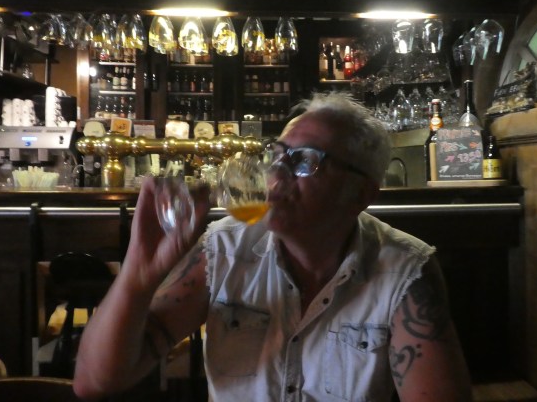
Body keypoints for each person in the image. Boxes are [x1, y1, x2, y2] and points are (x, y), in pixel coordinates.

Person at [73, 91, 472, 401]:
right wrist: (138, 276)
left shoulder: (404, 271)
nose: (276, 175)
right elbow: (94, 382)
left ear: (360, 193)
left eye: (304, 161)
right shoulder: (223, 249)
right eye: (276, 156)